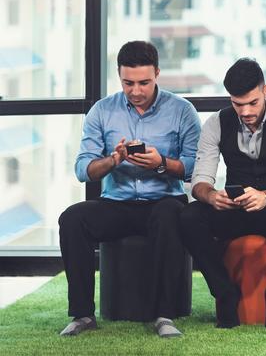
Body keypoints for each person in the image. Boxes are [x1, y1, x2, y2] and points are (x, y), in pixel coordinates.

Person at [58, 41, 201, 338]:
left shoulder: (182, 111)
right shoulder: (102, 111)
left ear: (158, 74)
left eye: (144, 83)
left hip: (164, 200)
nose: (136, 91)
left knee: (169, 214)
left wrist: (161, 163)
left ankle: (164, 315)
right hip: (117, 204)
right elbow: (83, 169)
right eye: (128, 83)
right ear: (119, 76)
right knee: (72, 218)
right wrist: (114, 159)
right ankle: (83, 314)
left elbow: (195, 167)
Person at [178, 58, 266, 328]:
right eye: (238, 104)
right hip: (235, 211)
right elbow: (200, 180)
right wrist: (211, 196)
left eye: (253, 102)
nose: (246, 111)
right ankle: (224, 293)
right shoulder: (216, 122)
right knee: (189, 216)